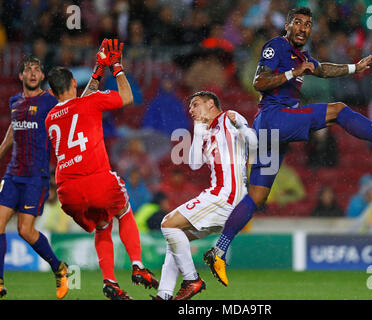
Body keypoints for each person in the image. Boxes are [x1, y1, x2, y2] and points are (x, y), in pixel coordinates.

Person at [203, 6, 372, 287]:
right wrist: (293, 72)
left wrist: (355, 67)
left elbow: (322, 69)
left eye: (308, 24)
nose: (303, 28)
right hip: (274, 119)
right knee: (339, 110)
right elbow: (259, 81)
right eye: (297, 23)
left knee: (257, 196)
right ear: (287, 25)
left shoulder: (303, 57)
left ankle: (219, 250)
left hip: (271, 132)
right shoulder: (276, 46)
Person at [45, 39, 159, 300]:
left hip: (68, 193)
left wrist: (97, 70)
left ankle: (110, 281)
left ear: (51, 93)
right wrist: (115, 66)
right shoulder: (91, 102)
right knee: (124, 211)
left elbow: (75, 107)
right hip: (96, 180)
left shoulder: (51, 117)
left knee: (103, 224)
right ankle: (138, 266)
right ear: (75, 82)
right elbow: (128, 97)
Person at [154, 91, 257, 300]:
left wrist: (241, 126)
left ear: (211, 104)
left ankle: (192, 280)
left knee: (167, 224)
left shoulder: (229, 117)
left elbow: (254, 143)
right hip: (221, 198)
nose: (191, 110)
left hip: (226, 196)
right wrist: (199, 129)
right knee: (176, 239)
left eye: (195, 104)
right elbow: (193, 164)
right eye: (190, 107)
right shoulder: (206, 130)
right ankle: (164, 295)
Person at [0, 56, 69, 299]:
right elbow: (13, 129)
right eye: (28, 69)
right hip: (12, 174)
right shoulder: (14, 101)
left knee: (25, 231)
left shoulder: (50, 100)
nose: (32, 73)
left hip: (35, 177)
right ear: (20, 76)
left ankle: (58, 267)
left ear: (41, 77)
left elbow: (73, 105)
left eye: (37, 70)